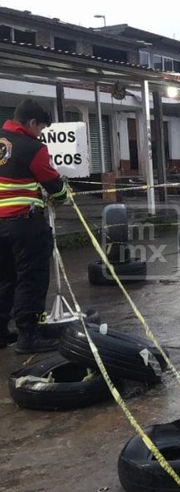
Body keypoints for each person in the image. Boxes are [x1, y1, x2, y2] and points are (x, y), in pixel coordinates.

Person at [0, 99, 69, 353]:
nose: (40, 133)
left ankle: (1, 332)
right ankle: (29, 335)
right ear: (31, 123)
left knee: (4, 279)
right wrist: (62, 196)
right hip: (23, 225)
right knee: (31, 278)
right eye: (40, 128)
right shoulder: (32, 148)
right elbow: (54, 185)